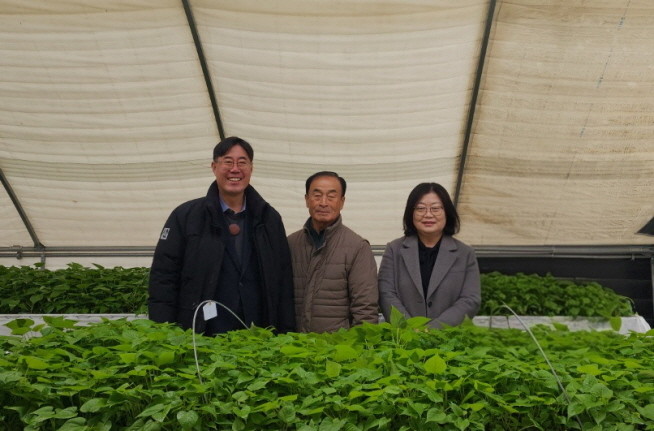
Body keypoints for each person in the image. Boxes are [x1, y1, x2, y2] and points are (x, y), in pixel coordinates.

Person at [148, 136, 295, 335]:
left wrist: (285, 332)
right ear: (214, 167)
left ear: (251, 168)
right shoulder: (186, 216)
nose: (235, 169)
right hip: (204, 332)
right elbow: (164, 277)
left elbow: (283, 281)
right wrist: (163, 331)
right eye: (227, 162)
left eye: (242, 162)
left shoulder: (269, 219)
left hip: (257, 333)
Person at [378, 182, 480, 328]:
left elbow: (470, 299)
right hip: (404, 336)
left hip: (450, 336)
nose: (428, 214)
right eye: (420, 208)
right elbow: (386, 293)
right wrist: (409, 328)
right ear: (411, 213)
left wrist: (433, 329)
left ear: (447, 212)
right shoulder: (394, 250)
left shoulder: (465, 253)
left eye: (435, 208)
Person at [287, 171, 379, 332]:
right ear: (307, 200)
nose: (323, 203)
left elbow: (365, 309)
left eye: (331, 196)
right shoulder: (291, 243)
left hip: (337, 345)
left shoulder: (358, 247)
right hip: (294, 344)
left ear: (342, 202)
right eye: (317, 195)